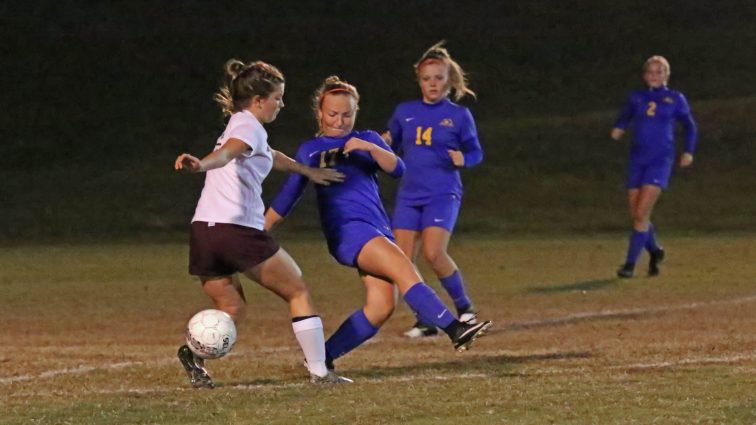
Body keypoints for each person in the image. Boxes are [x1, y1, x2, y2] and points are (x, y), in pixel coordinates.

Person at [265, 76, 492, 371]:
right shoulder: (312, 150)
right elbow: (288, 195)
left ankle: (321, 358)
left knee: (381, 306)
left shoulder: (367, 140)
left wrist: (369, 148)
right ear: (320, 113)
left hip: (376, 230)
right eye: (332, 114)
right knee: (404, 269)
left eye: (347, 114)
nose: (339, 121)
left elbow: (398, 168)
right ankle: (454, 328)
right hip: (349, 232)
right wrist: (259, 229)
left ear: (355, 112)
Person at [173, 59, 351, 387]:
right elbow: (227, 154)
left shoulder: (240, 123)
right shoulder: (248, 127)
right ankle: (320, 372)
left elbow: (267, 154)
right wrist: (200, 165)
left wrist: (307, 171)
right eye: (278, 98)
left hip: (204, 231)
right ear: (258, 101)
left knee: (231, 306)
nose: (281, 104)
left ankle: (193, 354)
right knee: (297, 290)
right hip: (235, 230)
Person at [382, 42, 484, 338]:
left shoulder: (460, 115)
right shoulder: (405, 112)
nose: (433, 84)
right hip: (409, 194)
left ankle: (465, 307)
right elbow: (393, 144)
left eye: (439, 78)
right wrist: (381, 142)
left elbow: (476, 152)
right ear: (419, 81)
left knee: (434, 253)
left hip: (443, 192)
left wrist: (464, 158)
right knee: (402, 260)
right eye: (427, 79)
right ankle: (425, 319)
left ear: (449, 80)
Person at [611, 55, 697, 278]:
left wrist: (688, 151)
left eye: (660, 72)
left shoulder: (675, 98)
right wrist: (619, 127)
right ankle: (655, 251)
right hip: (637, 159)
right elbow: (624, 115)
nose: (655, 76)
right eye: (651, 72)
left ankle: (629, 265)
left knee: (641, 212)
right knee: (637, 215)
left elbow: (690, 126)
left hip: (660, 161)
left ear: (667, 75)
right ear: (644, 75)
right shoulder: (636, 97)